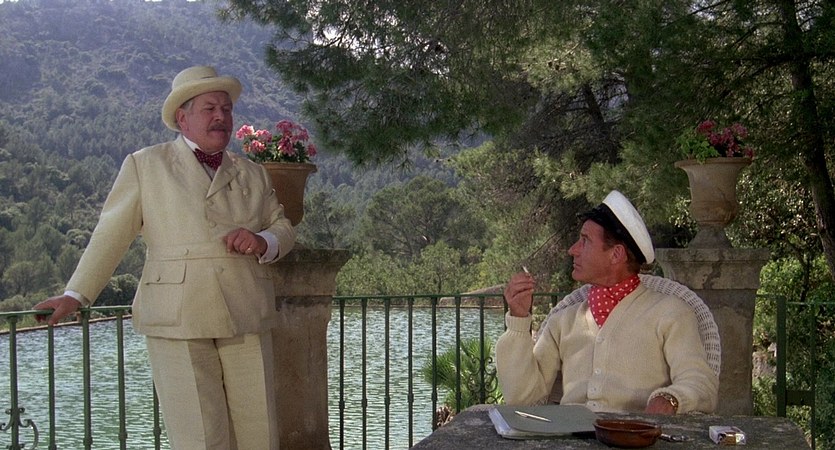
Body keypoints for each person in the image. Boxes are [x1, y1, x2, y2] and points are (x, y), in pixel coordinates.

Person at [34, 65, 296, 450]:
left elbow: (283, 226)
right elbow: (111, 235)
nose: (221, 117)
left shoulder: (253, 172)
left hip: (246, 309)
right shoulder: (145, 165)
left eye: (226, 109)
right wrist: (76, 294)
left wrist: (263, 241)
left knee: (261, 433)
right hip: (177, 316)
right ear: (182, 118)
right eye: (210, 109)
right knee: (199, 438)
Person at [496, 190, 718, 415]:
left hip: (636, 434)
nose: (572, 250)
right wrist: (519, 319)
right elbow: (523, 399)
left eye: (585, 240)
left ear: (616, 255)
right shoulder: (563, 320)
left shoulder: (671, 313)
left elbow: (700, 383)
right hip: (571, 435)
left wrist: (670, 400)